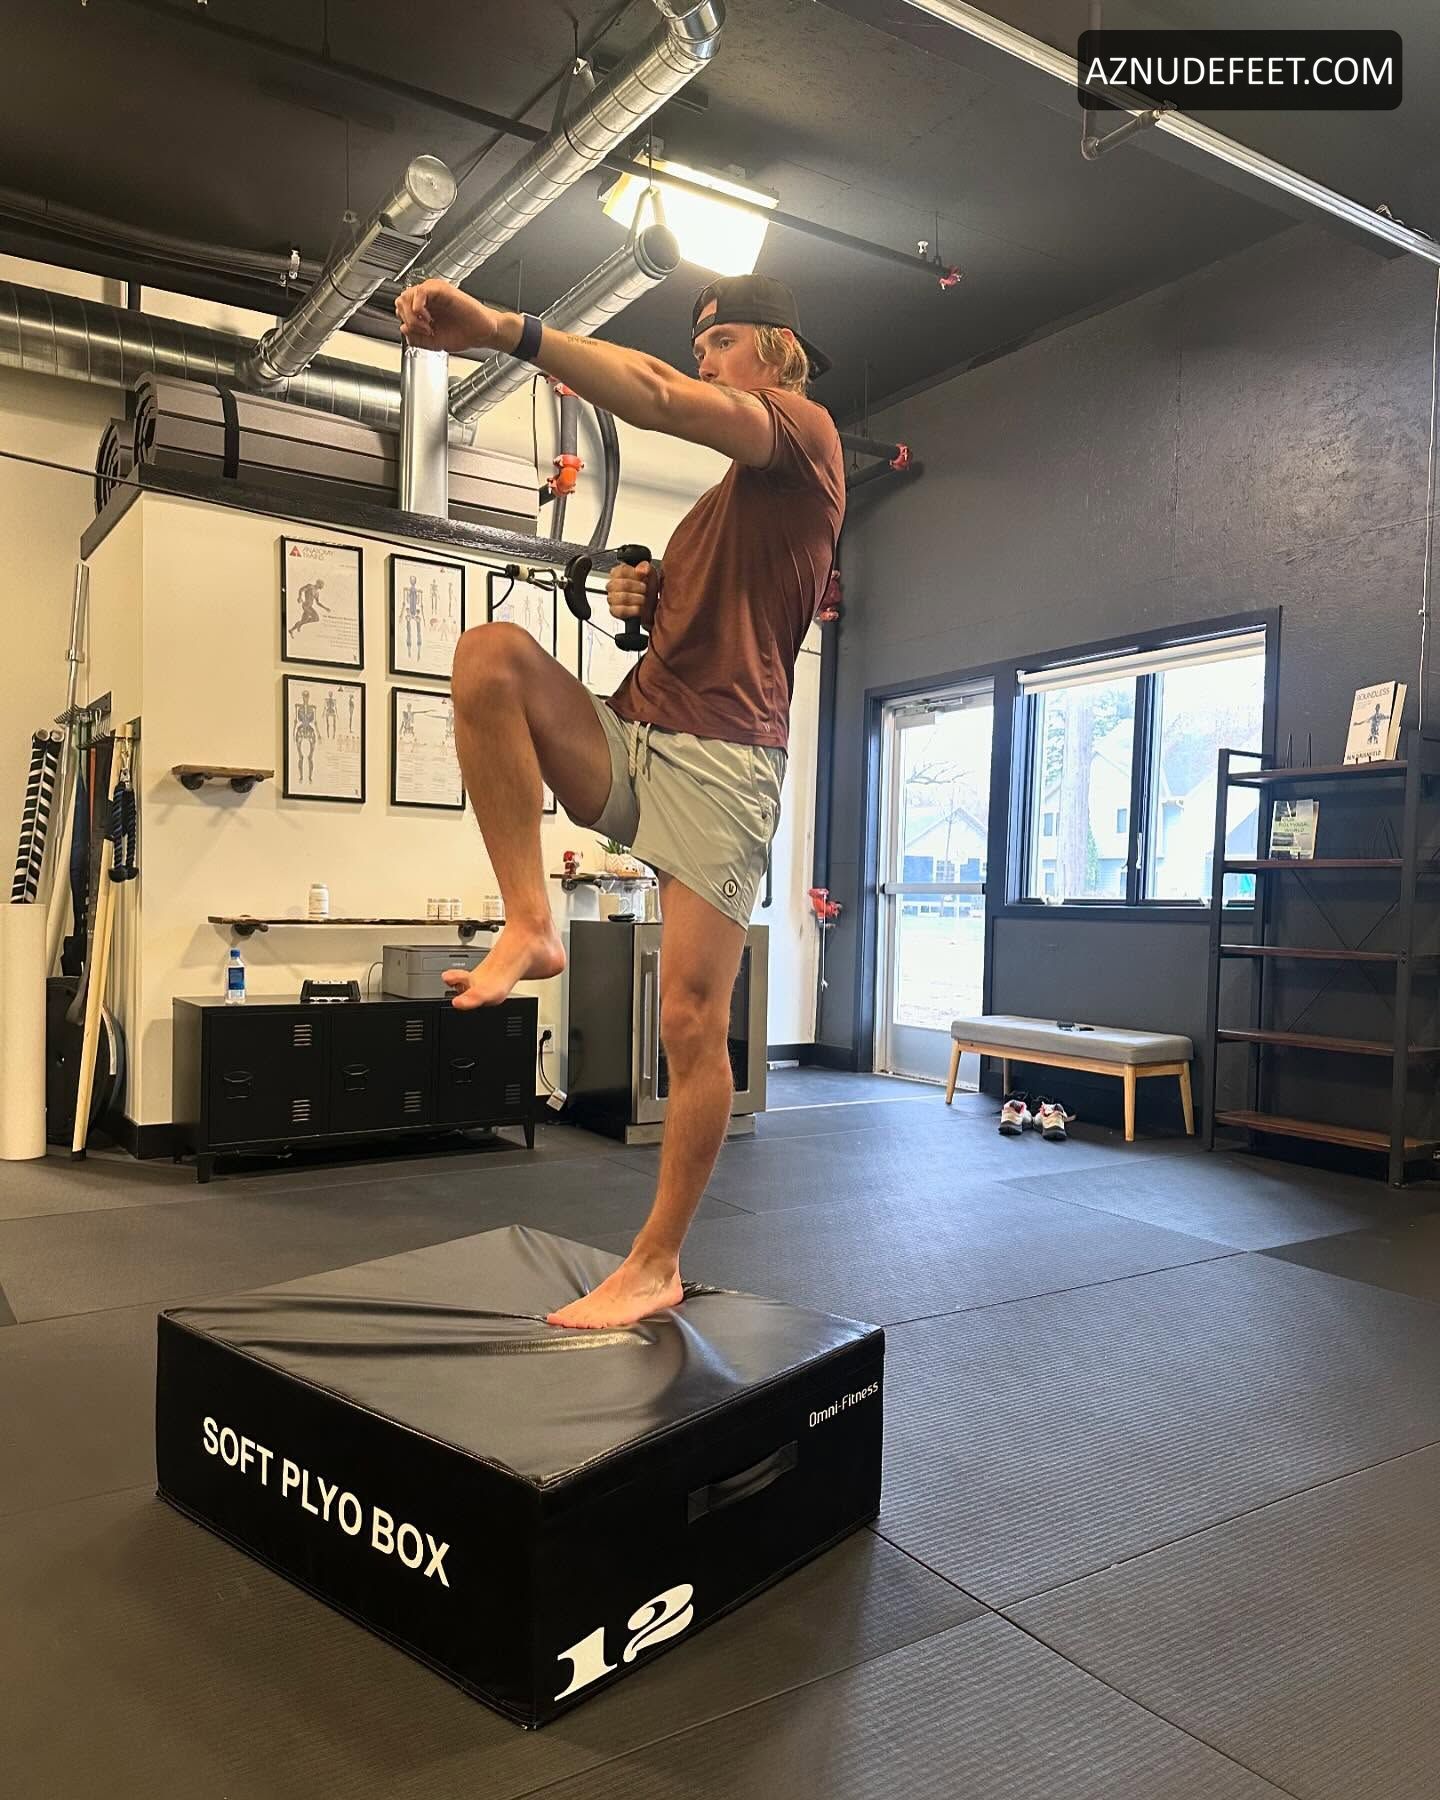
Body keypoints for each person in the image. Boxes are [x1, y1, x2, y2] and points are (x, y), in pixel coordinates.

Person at [395, 272, 844, 1328]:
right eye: (700, 345)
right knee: (490, 656)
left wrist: (502, 330)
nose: (704, 360)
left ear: (778, 351)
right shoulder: (720, 508)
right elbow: (706, 611)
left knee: (690, 1018)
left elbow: (653, 395)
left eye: (722, 342)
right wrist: (643, 595)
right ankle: (531, 923)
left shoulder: (805, 436)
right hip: (637, 734)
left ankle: (655, 1261)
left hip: (726, 765)